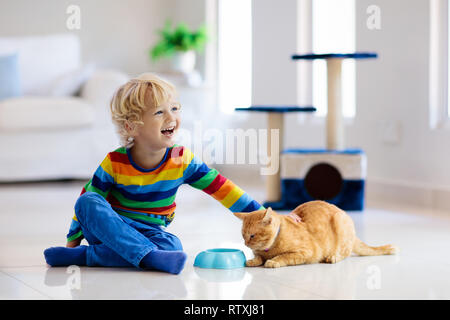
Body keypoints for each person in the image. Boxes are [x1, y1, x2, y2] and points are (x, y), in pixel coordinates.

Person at [43, 73, 265, 274]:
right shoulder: (114, 162)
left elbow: (222, 188)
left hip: (150, 233)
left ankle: (89, 257)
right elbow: (86, 206)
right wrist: (72, 243)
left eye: (175, 108)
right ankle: (149, 256)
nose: (171, 117)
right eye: (159, 112)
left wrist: (263, 215)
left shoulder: (181, 160)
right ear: (131, 127)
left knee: (173, 246)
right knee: (88, 201)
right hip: (110, 231)